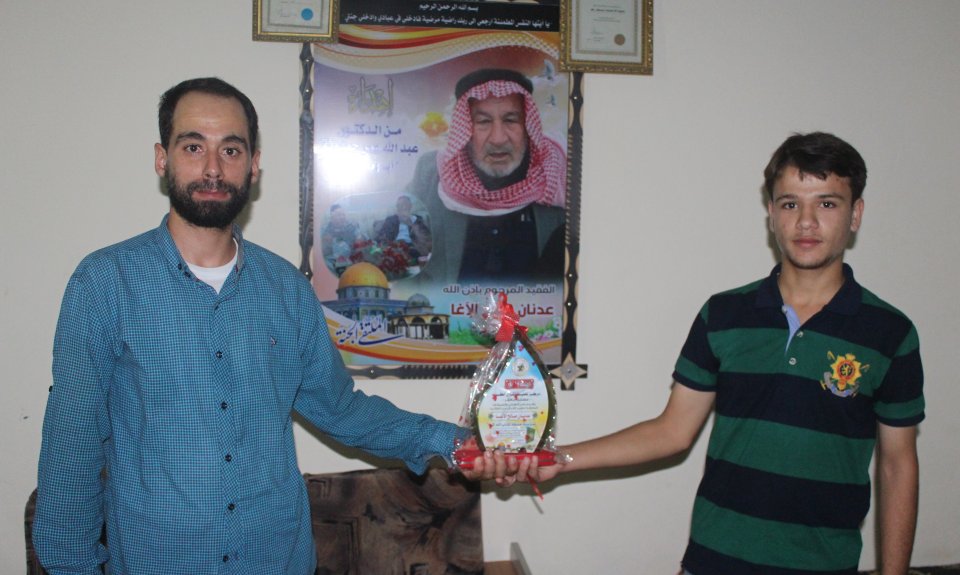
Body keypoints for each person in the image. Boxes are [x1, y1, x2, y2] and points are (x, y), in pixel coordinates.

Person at [32, 77, 510, 575]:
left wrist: (453, 441)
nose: (213, 168)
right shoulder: (105, 283)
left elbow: (342, 410)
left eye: (231, 150)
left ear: (254, 165)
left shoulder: (286, 289)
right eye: (193, 147)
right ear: (162, 158)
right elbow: (72, 449)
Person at [516, 132, 925, 574]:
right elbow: (672, 432)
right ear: (772, 214)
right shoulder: (724, 315)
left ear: (855, 213)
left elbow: (897, 465)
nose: (806, 222)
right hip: (712, 561)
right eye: (790, 204)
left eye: (826, 203)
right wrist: (559, 459)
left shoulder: (890, 333)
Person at [405, 68, 566, 285]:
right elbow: (406, 261)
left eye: (511, 120)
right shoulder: (431, 173)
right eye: (483, 122)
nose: (498, 139)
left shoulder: (556, 175)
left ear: (528, 127)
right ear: (465, 130)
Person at [375, 194, 432, 262]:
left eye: (405, 204)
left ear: (410, 206)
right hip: (396, 250)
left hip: (415, 250)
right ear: (397, 208)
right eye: (400, 205)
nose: (403, 207)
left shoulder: (417, 220)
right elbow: (382, 238)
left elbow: (427, 239)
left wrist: (410, 223)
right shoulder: (391, 220)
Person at [320, 203, 362, 272]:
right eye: (339, 215)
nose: (342, 217)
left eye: (343, 214)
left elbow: (359, 238)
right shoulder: (325, 229)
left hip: (353, 257)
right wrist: (325, 240)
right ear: (332, 217)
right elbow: (320, 247)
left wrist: (358, 241)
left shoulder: (351, 226)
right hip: (334, 259)